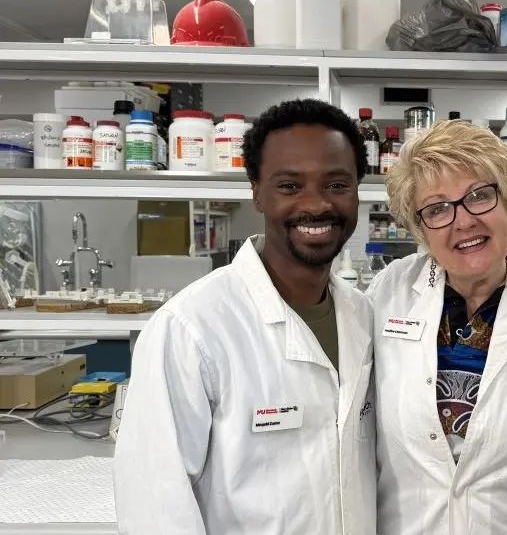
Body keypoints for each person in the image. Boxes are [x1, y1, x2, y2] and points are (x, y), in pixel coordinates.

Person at [113, 99, 376, 534]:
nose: (316, 205)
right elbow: (155, 507)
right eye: (290, 186)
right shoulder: (192, 328)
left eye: (337, 184)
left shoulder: (363, 315)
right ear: (256, 191)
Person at [367, 119, 507, 534]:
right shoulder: (388, 293)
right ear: (419, 229)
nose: (463, 220)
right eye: (437, 209)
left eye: (479, 196)